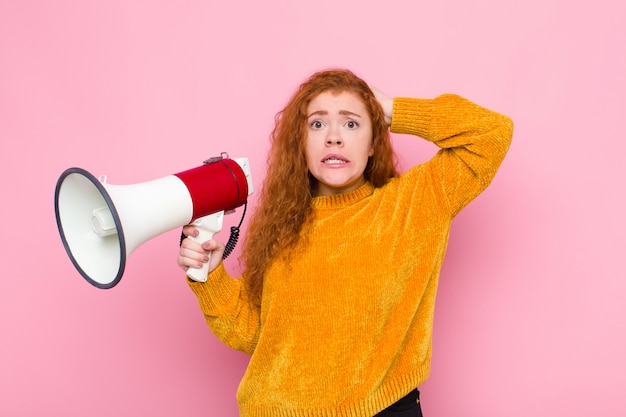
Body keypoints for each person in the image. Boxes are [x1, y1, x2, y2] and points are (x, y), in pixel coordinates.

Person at [177, 68, 513, 417]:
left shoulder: (415, 203)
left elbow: (491, 133)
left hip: (380, 409)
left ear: (373, 144)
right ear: (301, 144)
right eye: (317, 124)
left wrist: (392, 109)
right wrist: (210, 279)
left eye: (351, 124)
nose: (333, 138)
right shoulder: (282, 225)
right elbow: (255, 336)